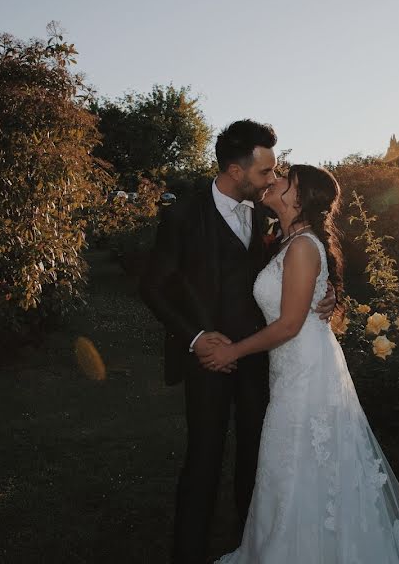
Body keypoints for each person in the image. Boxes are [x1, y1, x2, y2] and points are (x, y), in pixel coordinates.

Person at [207, 165, 399, 563]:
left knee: (295, 461)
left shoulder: (301, 247)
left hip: (305, 370)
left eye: (283, 179)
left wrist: (232, 351)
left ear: (299, 198)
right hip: (293, 366)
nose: (273, 180)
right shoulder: (284, 241)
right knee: (291, 465)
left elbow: (289, 324)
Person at [139, 120, 336, 564]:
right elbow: (153, 286)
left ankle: (258, 546)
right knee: (204, 460)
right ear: (234, 169)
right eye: (265, 172)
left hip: (262, 358)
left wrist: (329, 287)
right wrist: (194, 339)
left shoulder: (267, 209)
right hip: (207, 359)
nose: (272, 179)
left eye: (274, 173)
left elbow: (308, 250)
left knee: (258, 458)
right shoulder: (183, 215)